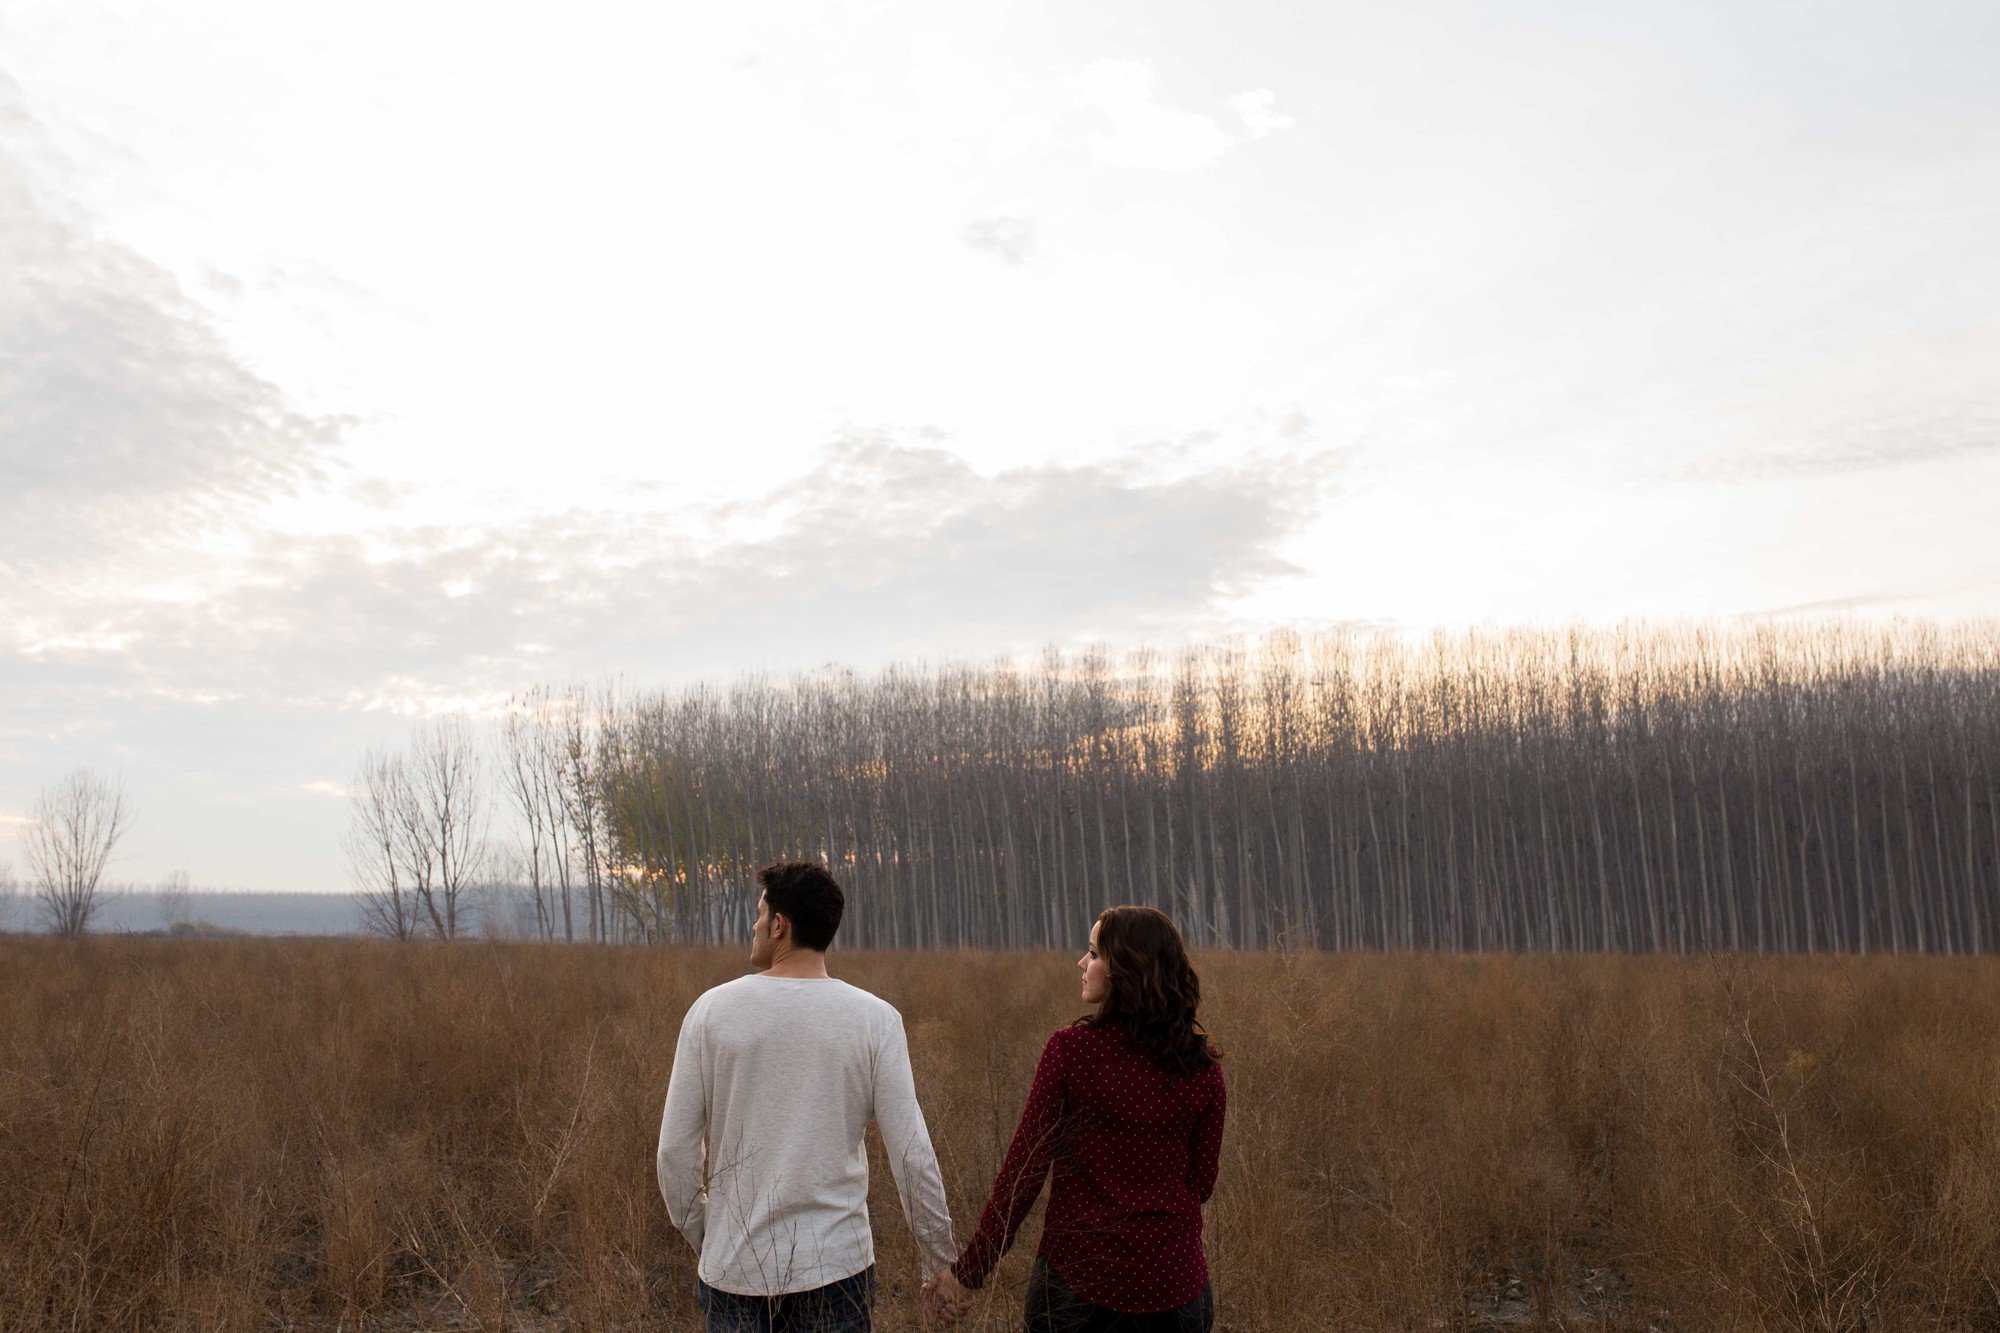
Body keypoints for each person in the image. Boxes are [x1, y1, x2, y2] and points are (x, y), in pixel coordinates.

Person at [658, 861, 957, 1332]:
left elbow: (675, 1154)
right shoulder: (875, 1020)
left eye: (760, 914)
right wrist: (940, 1262)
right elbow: (912, 1155)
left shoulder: (709, 1012)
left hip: (734, 1273)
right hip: (837, 1271)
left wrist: (710, 1237)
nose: (755, 925)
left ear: (779, 925)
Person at [925, 905, 1226, 1332]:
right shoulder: (1203, 1067)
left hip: (1077, 1292)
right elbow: (1203, 1183)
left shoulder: (1071, 1052)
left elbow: (1023, 1176)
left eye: (1093, 953)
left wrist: (968, 1273)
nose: (1082, 963)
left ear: (1125, 968)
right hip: (1176, 1293)